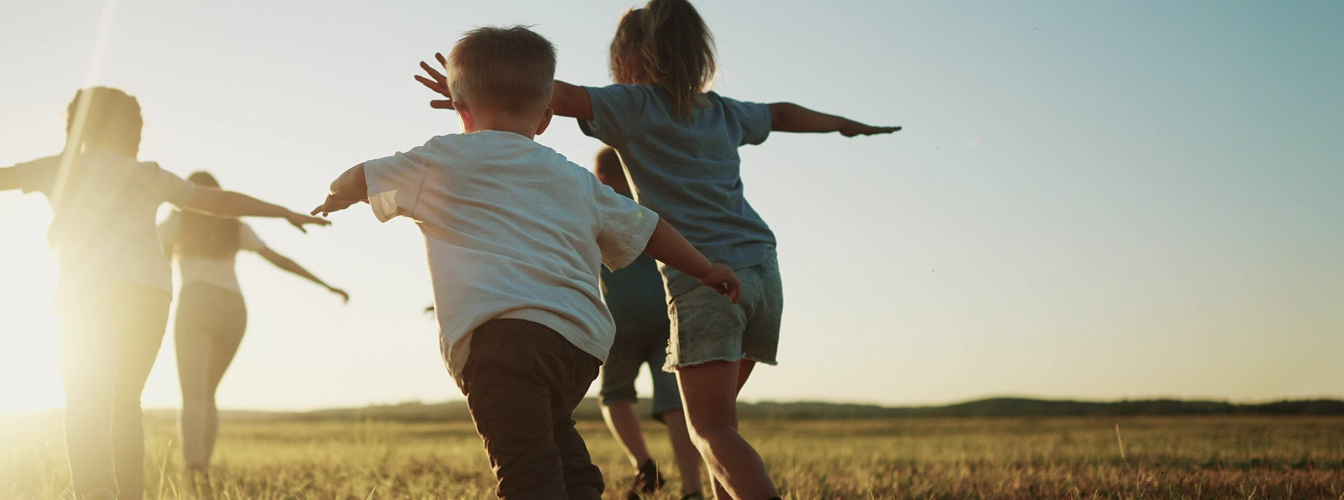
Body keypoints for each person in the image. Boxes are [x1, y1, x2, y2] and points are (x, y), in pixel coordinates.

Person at [412, 2, 904, 498]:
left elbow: (546, 94)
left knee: (711, 431)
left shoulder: (635, 104)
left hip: (705, 279)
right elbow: (781, 114)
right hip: (762, 272)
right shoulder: (722, 111)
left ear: (626, 58)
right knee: (719, 424)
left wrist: (471, 90)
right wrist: (844, 123)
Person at [314, 26, 740, 500]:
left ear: (461, 109)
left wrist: (334, 198)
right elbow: (648, 227)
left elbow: (359, 177)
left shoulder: (439, 160)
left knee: (525, 474)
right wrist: (704, 268)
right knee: (554, 442)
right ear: (546, 118)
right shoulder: (574, 179)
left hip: (501, 342)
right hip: (577, 345)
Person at [0, 87, 327, 500]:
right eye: (135, 123)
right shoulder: (150, 175)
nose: (141, 131)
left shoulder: (62, 169)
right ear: (121, 128)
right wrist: (283, 210)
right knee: (126, 401)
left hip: (89, 295)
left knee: (86, 397)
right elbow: (220, 204)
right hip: (149, 295)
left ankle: (97, 493)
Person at [158, 171, 349, 474]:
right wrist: (326, 285)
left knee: (193, 395)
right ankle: (202, 468)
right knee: (207, 394)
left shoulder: (176, 223)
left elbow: (144, 255)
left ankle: (194, 470)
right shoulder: (235, 227)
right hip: (233, 310)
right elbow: (280, 260)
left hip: (196, 303)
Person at [592, 147, 703, 500]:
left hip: (620, 318)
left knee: (614, 395)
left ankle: (644, 464)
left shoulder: (598, 207)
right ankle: (693, 489)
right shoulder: (655, 203)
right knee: (675, 404)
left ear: (602, 179)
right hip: (667, 313)